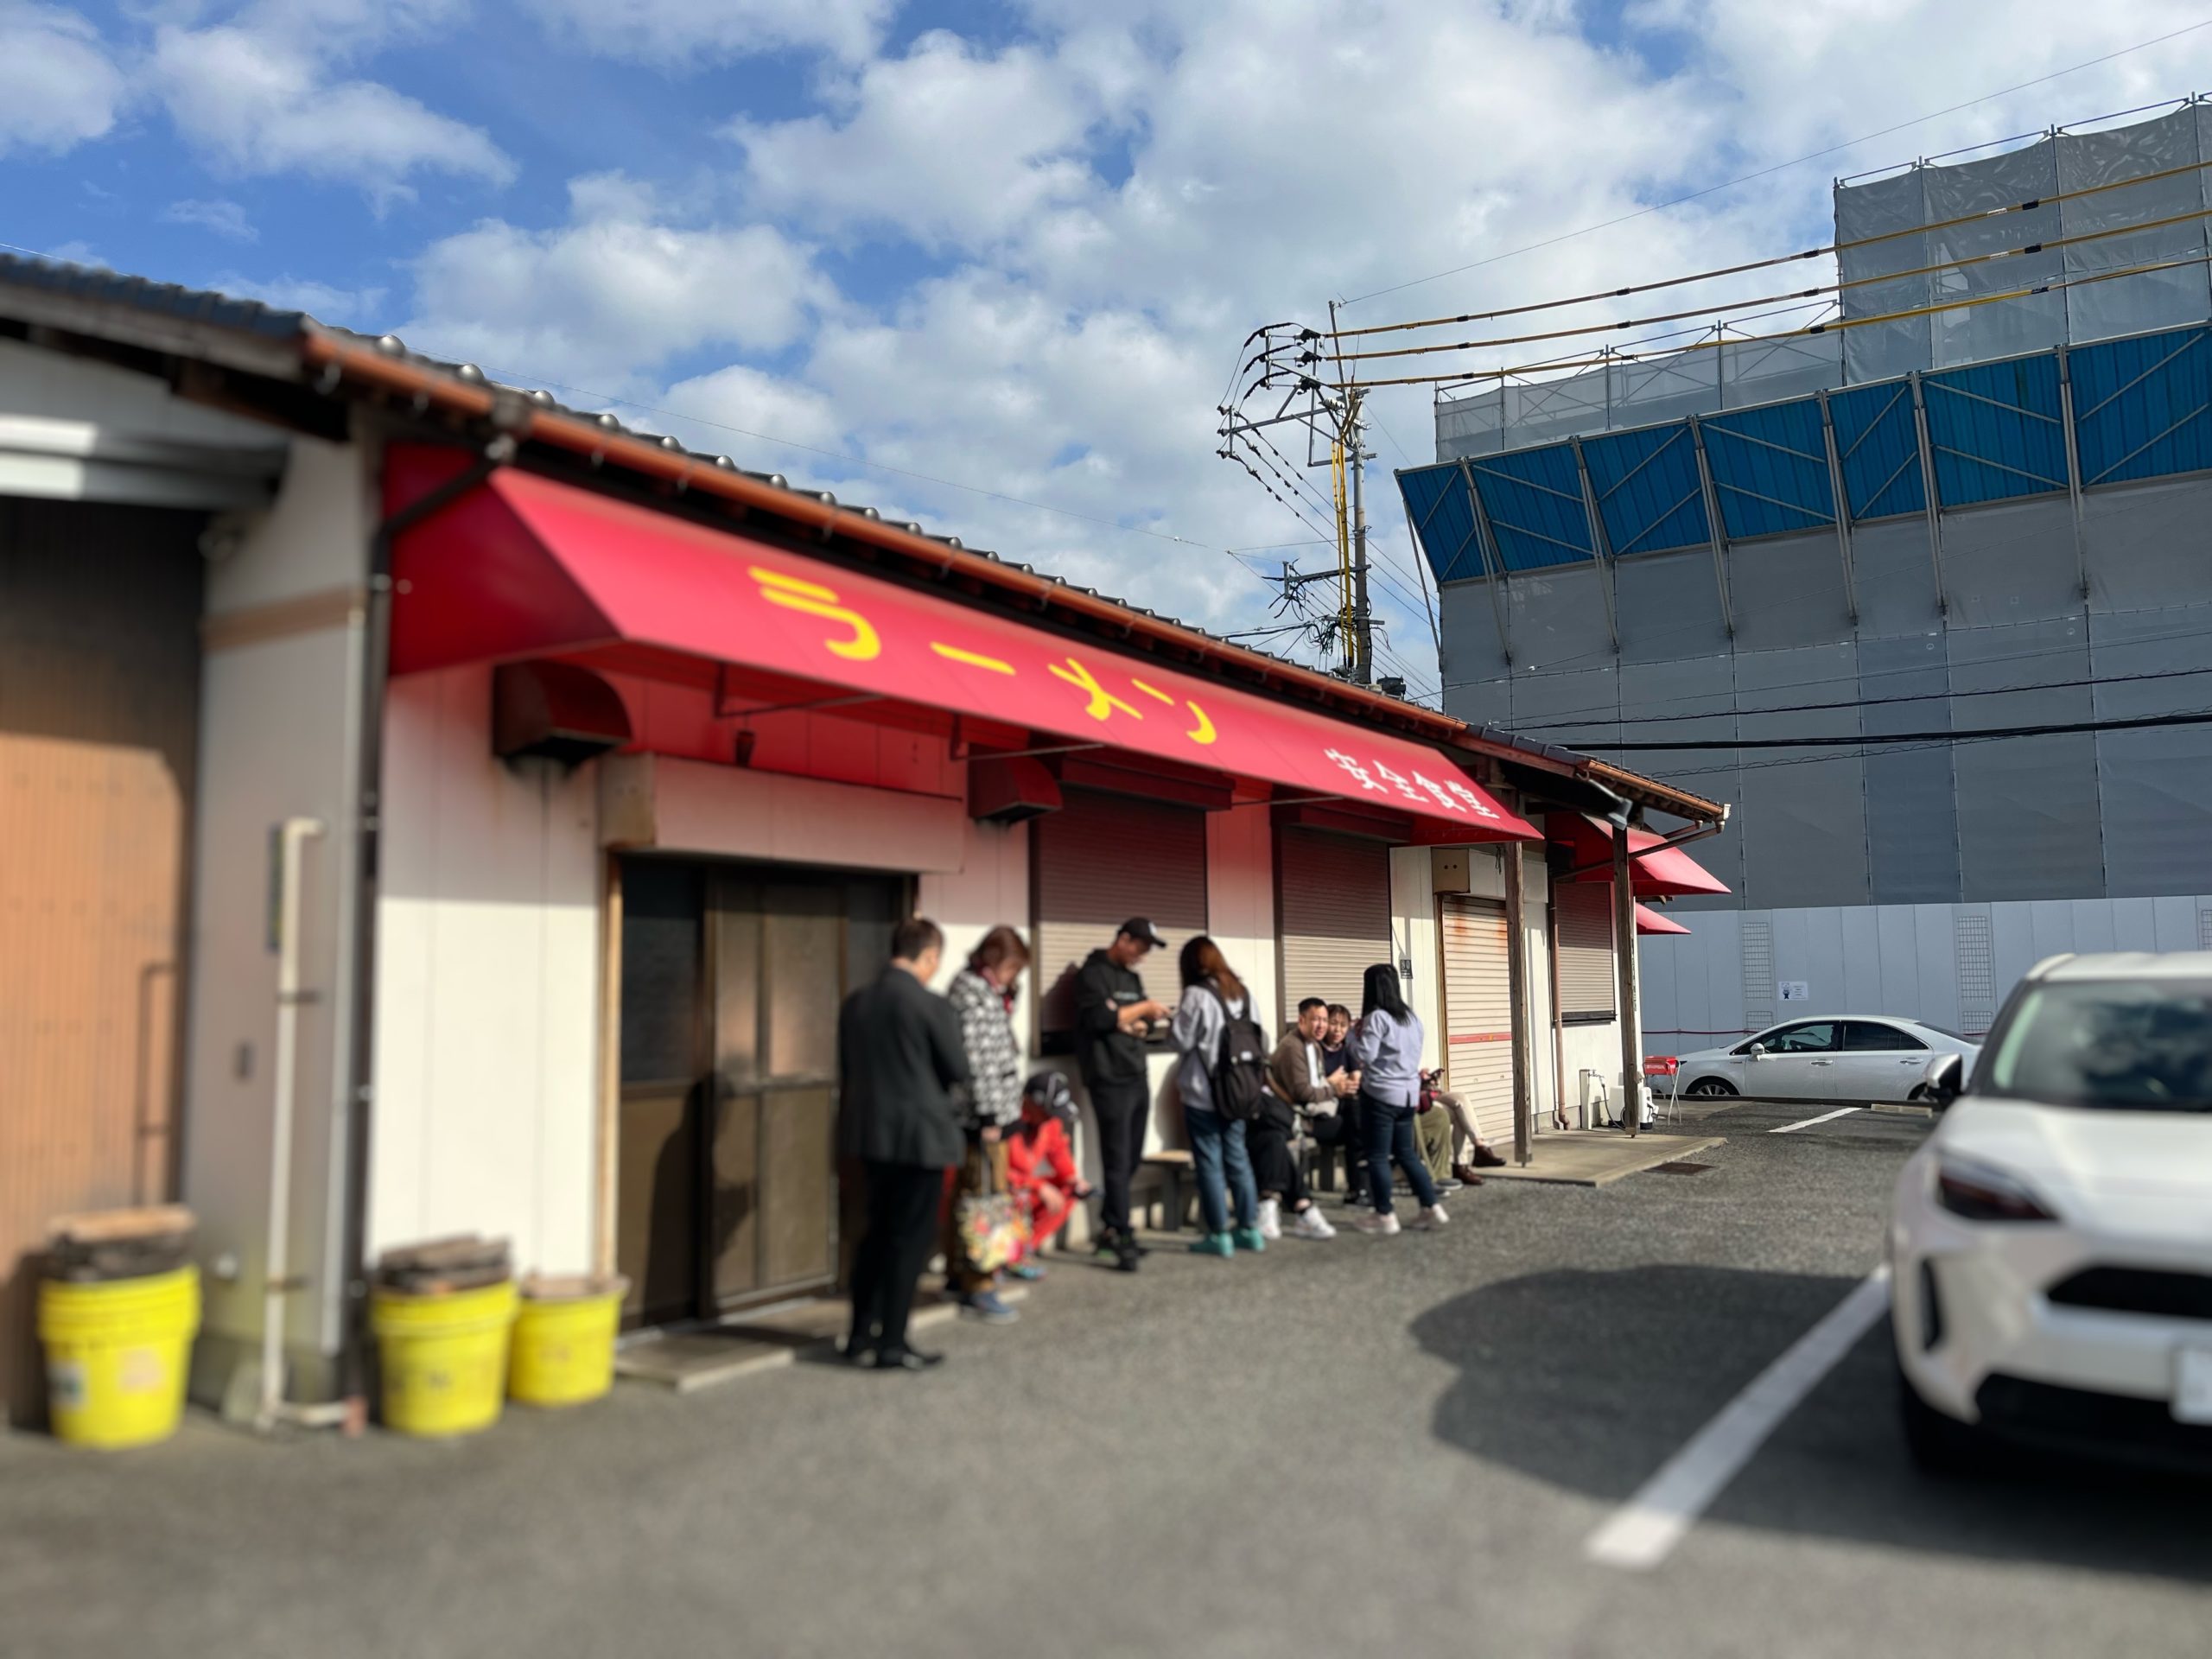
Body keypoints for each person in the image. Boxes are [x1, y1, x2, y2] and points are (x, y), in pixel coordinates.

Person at [838, 918, 971, 1370]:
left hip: (869, 1135)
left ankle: (859, 1335)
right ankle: (893, 1341)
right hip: (921, 1138)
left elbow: (848, 1068)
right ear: (929, 955)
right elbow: (957, 1068)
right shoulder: (929, 1004)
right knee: (909, 1240)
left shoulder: (856, 1003)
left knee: (874, 1234)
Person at [1072, 918, 1172, 1273]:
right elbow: (1100, 1018)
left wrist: (1133, 1019)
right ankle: (1122, 1235)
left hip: (1135, 1072)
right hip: (1108, 1076)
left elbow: (1140, 1022)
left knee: (1130, 1157)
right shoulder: (1092, 974)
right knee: (1116, 1158)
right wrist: (1139, 1010)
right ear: (1123, 939)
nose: (1142, 956)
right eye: (1140, 948)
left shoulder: (1131, 978)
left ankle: (1111, 1227)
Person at [944, 925, 1031, 1325]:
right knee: (985, 1197)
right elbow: (978, 1061)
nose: (1014, 977)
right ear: (995, 961)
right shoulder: (974, 997)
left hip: (984, 1113)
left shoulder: (981, 992)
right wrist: (989, 1116)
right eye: (1012, 968)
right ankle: (980, 1284)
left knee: (970, 1195)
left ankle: (960, 1274)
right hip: (984, 1117)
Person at [1168, 936, 1265, 1257]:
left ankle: (1218, 1234)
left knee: (1210, 1163)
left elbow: (1180, 1041)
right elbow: (1260, 1038)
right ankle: (1250, 1229)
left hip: (1203, 1094)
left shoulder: (1196, 994)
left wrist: (1169, 1021)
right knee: (1238, 1158)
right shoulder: (1243, 993)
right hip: (1240, 1092)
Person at [1343, 963, 1449, 1236]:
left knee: (1377, 1156)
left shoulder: (1377, 1018)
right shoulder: (1412, 1018)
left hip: (1380, 1095)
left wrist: (1350, 1037)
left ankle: (1385, 1214)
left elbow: (1365, 1055)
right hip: (1408, 1096)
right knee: (1406, 1153)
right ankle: (1431, 1207)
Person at [1255, 997, 1347, 1240]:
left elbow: (1315, 1087)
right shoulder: (1292, 1047)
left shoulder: (1313, 1046)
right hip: (1294, 1117)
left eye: (1324, 1020)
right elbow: (1303, 1093)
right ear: (1301, 1020)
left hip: (1293, 1116)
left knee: (1356, 1118)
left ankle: (1280, 1204)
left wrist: (1334, 1087)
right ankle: (1300, 1206)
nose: (1322, 1025)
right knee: (1349, 1126)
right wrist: (1333, 1089)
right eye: (1316, 1019)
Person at [1004, 1071, 1093, 1272]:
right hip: (1003, 1191)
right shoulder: (1009, 1122)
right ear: (1030, 1103)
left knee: (1068, 1190)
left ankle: (1022, 1253)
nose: (1051, 1118)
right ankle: (1002, 1254)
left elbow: (1058, 1150)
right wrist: (1039, 1186)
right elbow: (999, 1172)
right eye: (1047, 1112)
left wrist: (1072, 1178)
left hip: (1023, 1188)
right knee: (1021, 1195)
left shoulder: (1048, 1122)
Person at [1319, 1002, 1370, 1204]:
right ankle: (1359, 1189)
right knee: (1357, 1128)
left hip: (1346, 1107)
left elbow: (1355, 1079)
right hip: (1324, 1109)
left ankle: (1359, 1189)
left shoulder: (1346, 1050)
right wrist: (1332, 1082)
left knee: (1357, 1124)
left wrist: (1342, 1081)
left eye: (1343, 1025)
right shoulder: (1316, 1050)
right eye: (1333, 1023)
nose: (1338, 1030)